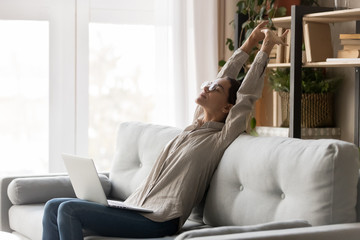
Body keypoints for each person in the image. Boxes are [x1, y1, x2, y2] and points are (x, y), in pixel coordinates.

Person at [42, 21, 288, 240]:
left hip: (159, 219)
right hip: (136, 208)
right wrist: (249, 42)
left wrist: (265, 49)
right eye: (208, 84)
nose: (208, 87)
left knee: (68, 210)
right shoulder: (194, 127)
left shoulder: (219, 137)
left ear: (227, 107)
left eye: (215, 89)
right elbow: (225, 75)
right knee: (53, 206)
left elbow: (245, 96)